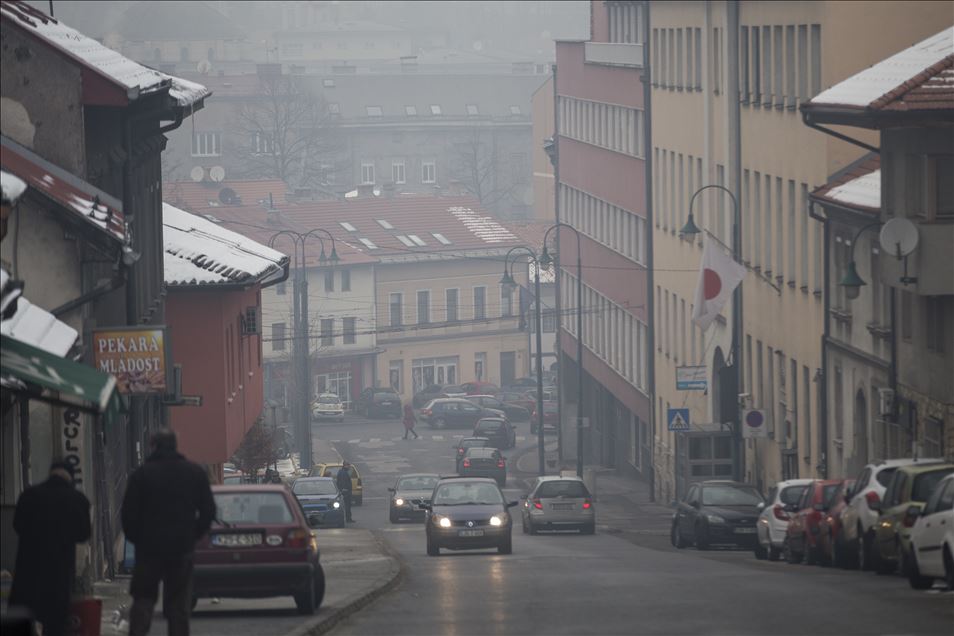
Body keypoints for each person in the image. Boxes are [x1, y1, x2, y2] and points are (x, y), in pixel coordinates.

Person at [121, 428, 215, 636]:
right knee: (178, 604)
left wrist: (139, 539)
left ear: (153, 444)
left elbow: (128, 515)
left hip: (148, 549)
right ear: (176, 445)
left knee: (143, 600)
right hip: (181, 548)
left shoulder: (142, 475)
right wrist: (193, 535)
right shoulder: (194, 473)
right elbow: (208, 511)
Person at [9, 461, 91, 636]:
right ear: (71, 477)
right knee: (55, 625)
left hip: (27, 573)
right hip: (58, 576)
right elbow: (84, 534)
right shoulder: (78, 500)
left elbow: (17, 525)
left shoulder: (29, 495)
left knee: (21, 620)